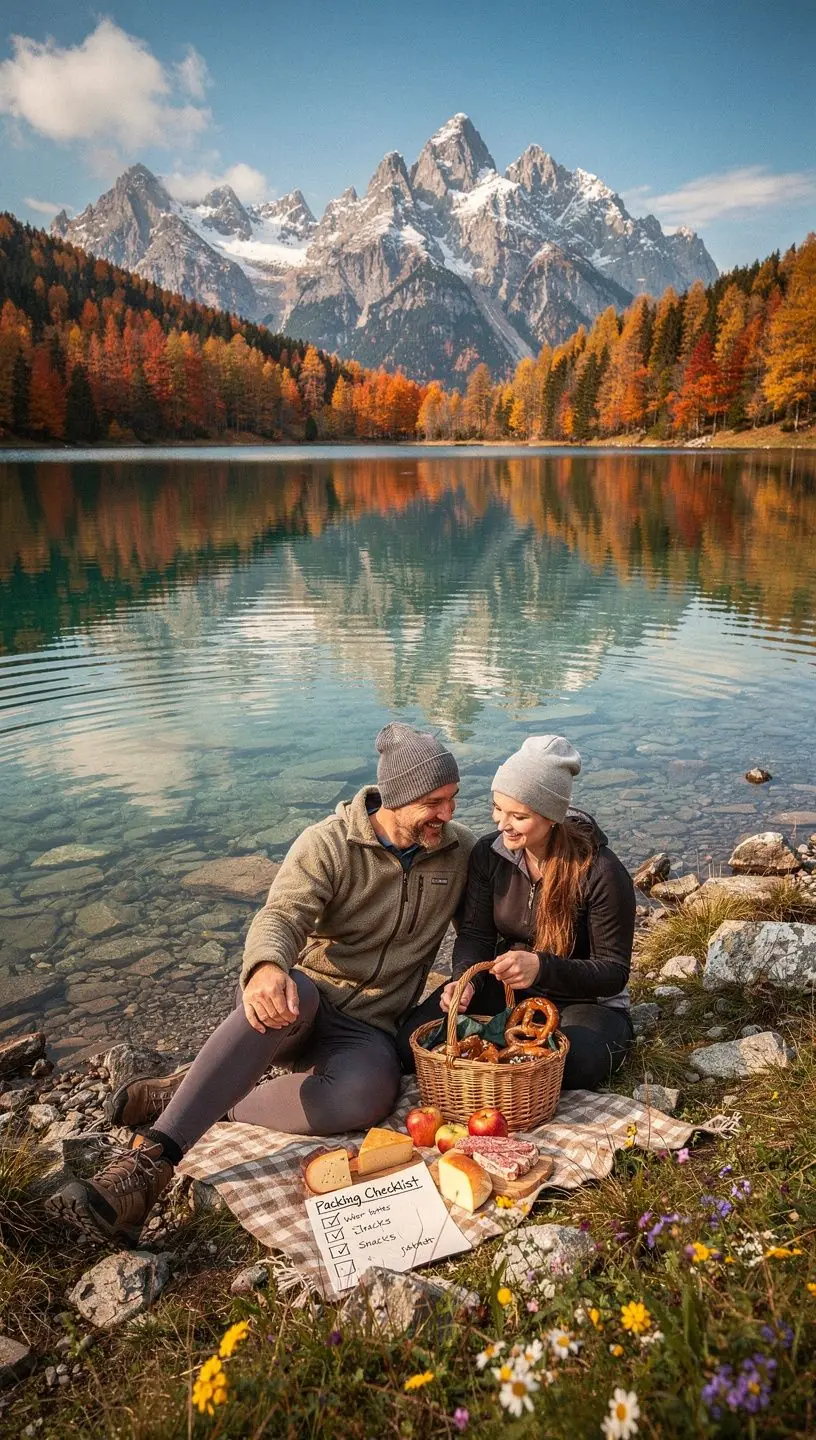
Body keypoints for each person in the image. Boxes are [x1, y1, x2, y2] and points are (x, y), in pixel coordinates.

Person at [48, 723, 475, 1247]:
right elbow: (281, 916)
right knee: (286, 994)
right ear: (396, 796)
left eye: (453, 798)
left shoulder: (458, 852)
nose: (448, 814)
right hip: (300, 1004)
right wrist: (267, 967)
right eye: (434, 802)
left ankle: (197, 1093)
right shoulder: (329, 843)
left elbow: (481, 926)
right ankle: (148, 1166)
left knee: (367, 1099)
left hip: (368, 1028)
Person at [396, 735, 635, 1090]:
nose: (502, 824)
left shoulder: (601, 871)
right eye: (498, 808)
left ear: (551, 816)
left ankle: (497, 1074)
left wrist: (542, 967)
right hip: (508, 989)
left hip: (586, 1002)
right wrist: (466, 981)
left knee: (569, 1065)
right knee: (410, 1045)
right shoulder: (488, 855)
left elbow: (613, 972)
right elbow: (475, 935)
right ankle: (497, 1071)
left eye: (518, 816)